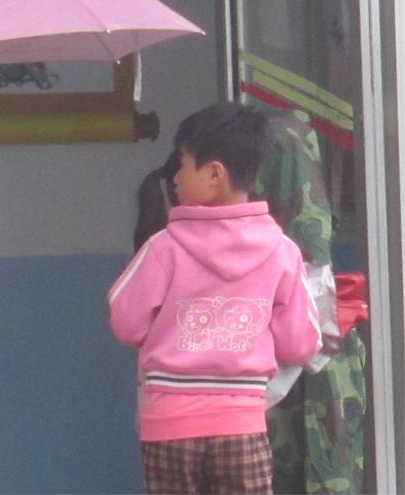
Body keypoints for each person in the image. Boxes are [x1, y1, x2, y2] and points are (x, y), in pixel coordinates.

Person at [108, 102, 321, 495]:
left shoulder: (163, 248)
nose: (174, 177)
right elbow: (301, 344)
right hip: (241, 425)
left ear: (215, 174)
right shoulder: (282, 252)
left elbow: (126, 323)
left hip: (169, 427)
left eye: (182, 164)